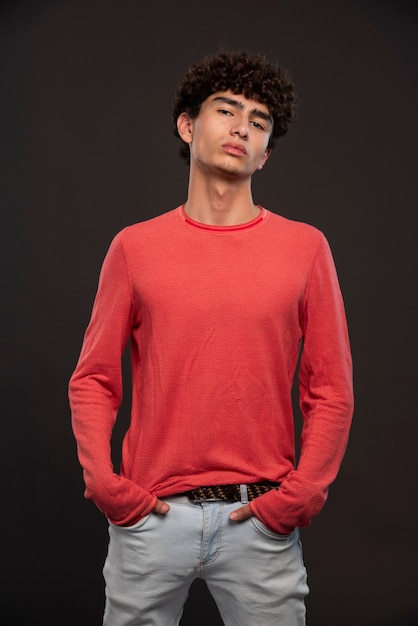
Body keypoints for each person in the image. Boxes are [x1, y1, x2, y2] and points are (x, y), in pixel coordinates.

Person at [69, 50, 354, 626]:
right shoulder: (134, 247)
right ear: (187, 124)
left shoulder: (306, 248)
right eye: (227, 110)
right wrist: (104, 482)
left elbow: (331, 388)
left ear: (265, 152)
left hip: (260, 519)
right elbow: (95, 378)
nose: (242, 127)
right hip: (152, 520)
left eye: (259, 121)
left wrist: (302, 494)